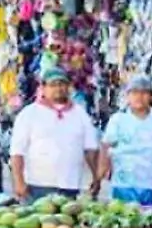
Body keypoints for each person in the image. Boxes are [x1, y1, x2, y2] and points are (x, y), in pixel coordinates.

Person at [9, 68, 100, 202]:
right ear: (43, 88)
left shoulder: (80, 114)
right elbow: (17, 152)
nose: (58, 88)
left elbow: (90, 149)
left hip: (70, 185)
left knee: (66, 222)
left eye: (62, 84)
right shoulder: (29, 114)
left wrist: (96, 177)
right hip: (37, 186)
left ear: (69, 87)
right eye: (53, 85)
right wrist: (18, 182)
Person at [96, 75, 152, 205]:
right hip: (123, 183)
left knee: (148, 221)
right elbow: (105, 148)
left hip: (151, 184)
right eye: (135, 92)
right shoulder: (118, 119)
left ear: (150, 96)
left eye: (144, 92)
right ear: (127, 96)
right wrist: (99, 178)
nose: (139, 97)